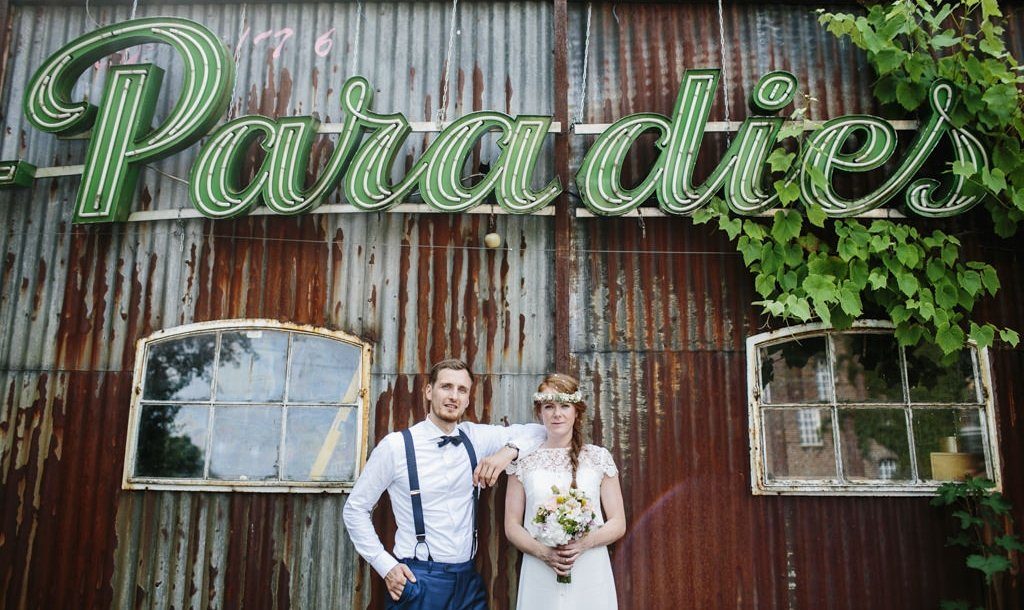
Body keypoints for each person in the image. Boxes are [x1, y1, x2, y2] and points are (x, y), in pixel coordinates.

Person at [343, 359, 546, 609]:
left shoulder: (476, 437)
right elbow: (355, 509)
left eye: (462, 390)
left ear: (469, 399)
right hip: (418, 580)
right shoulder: (396, 446)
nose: (454, 396)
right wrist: (386, 566)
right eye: (446, 387)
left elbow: (540, 432)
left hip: (468, 581)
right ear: (429, 391)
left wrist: (507, 453)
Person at [503, 373, 625, 610]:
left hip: (589, 566)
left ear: (576, 412)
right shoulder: (523, 461)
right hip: (540, 567)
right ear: (540, 412)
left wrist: (584, 544)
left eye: (564, 406)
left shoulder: (598, 458)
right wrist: (544, 552)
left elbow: (618, 522)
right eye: (549, 406)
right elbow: (512, 525)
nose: (556, 414)